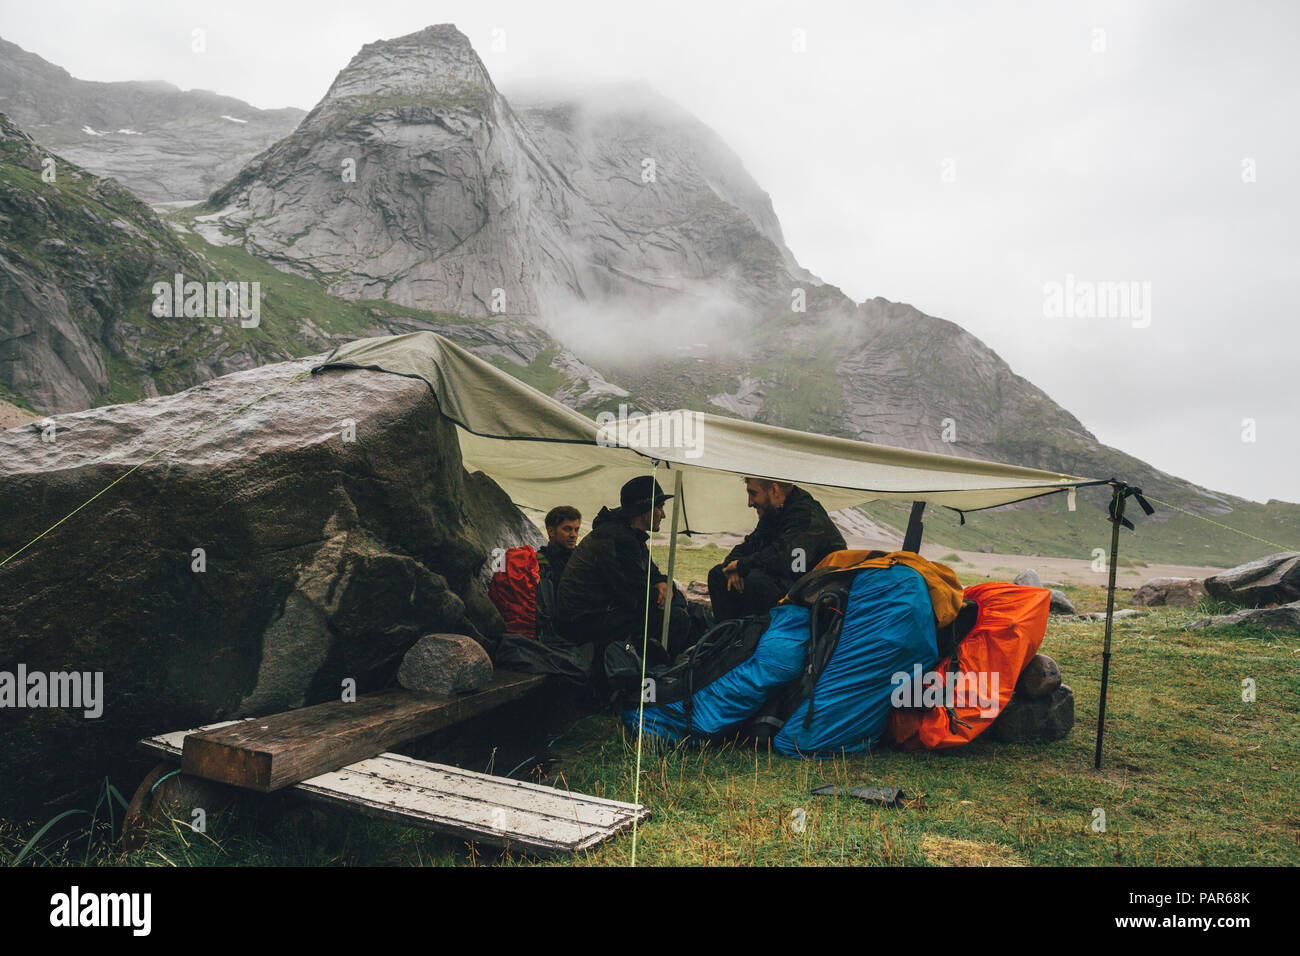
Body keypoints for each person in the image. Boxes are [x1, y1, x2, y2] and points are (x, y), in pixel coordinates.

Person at [556, 476, 693, 662]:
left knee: (676, 611)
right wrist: (674, 596)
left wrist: (661, 581)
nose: (663, 515)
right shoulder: (616, 539)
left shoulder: (629, 533)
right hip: (582, 624)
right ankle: (653, 677)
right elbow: (637, 599)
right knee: (676, 618)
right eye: (659, 507)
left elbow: (650, 571)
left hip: (601, 612)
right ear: (644, 509)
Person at [707, 477, 847, 621]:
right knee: (718, 575)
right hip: (790, 581)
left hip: (814, 590)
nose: (750, 503)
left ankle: (751, 637)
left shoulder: (806, 515)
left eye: (753, 494)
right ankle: (726, 635)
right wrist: (731, 565)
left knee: (756, 581)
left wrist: (741, 566)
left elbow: (786, 558)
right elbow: (749, 545)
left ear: (775, 490)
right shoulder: (774, 511)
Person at [535, 506, 580, 643]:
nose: (573, 535)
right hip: (557, 630)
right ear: (551, 531)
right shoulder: (540, 561)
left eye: (576, 529)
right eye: (567, 529)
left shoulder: (583, 558)